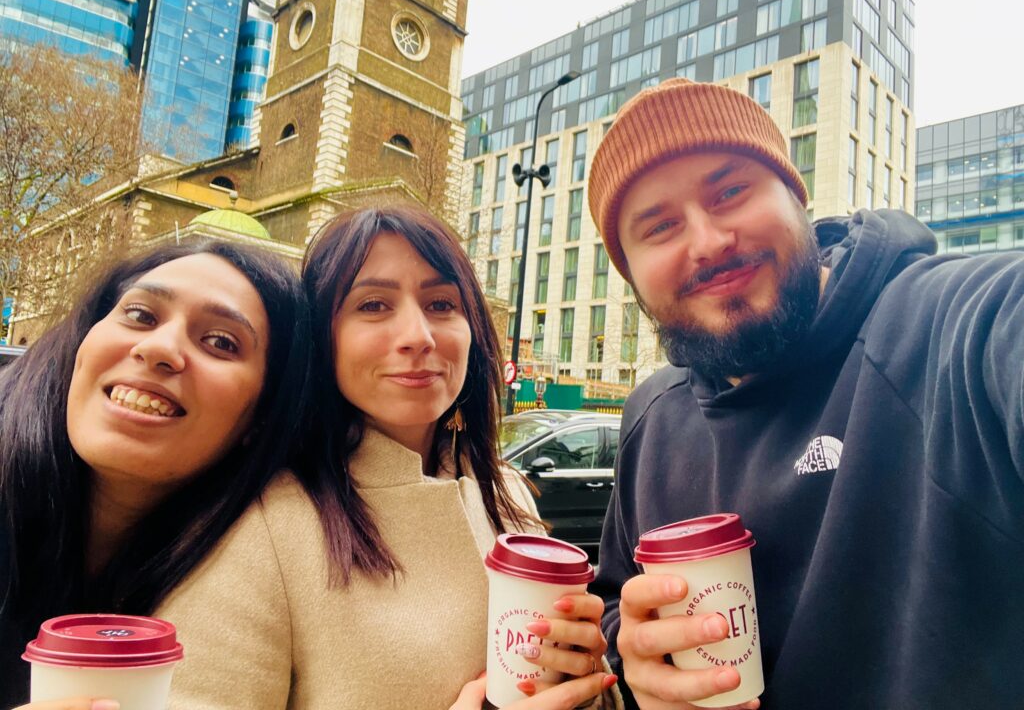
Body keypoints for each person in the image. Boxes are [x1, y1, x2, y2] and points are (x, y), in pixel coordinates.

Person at [585, 77, 1024, 709]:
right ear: (631, 276)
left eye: (731, 190)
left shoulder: (946, 324)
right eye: (658, 227)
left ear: (796, 196)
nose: (708, 242)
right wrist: (635, 649)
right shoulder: (650, 417)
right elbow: (616, 601)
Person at [157, 205, 619, 709]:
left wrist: (588, 682)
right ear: (321, 338)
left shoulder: (503, 491)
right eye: (373, 305)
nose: (418, 337)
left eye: (442, 304)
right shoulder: (259, 527)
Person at [0, 240, 310, 710]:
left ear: (262, 416)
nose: (159, 348)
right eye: (141, 315)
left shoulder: (259, 566)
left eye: (221, 342)